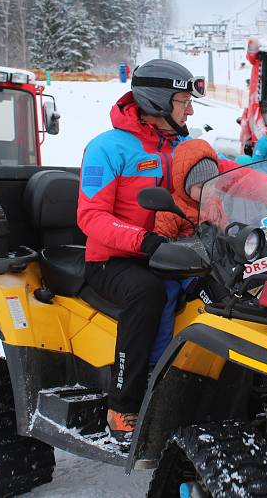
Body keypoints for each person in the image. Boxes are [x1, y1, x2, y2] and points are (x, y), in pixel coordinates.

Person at [77, 59, 222, 443]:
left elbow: (228, 173)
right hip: (115, 261)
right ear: (157, 102)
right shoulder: (106, 148)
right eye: (182, 101)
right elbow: (91, 217)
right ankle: (123, 405)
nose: (189, 110)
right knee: (148, 293)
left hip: (175, 252)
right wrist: (144, 241)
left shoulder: (182, 148)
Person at [148, 139, 220, 365]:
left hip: (212, 264)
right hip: (179, 270)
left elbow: (224, 229)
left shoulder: (214, 203)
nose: (208, 190)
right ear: (185, 184)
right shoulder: (171, 208)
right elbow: (162, 243)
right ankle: (157, 359)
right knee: (166, 297)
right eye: (201, 186)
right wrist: (176, 251)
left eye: (213, 183)